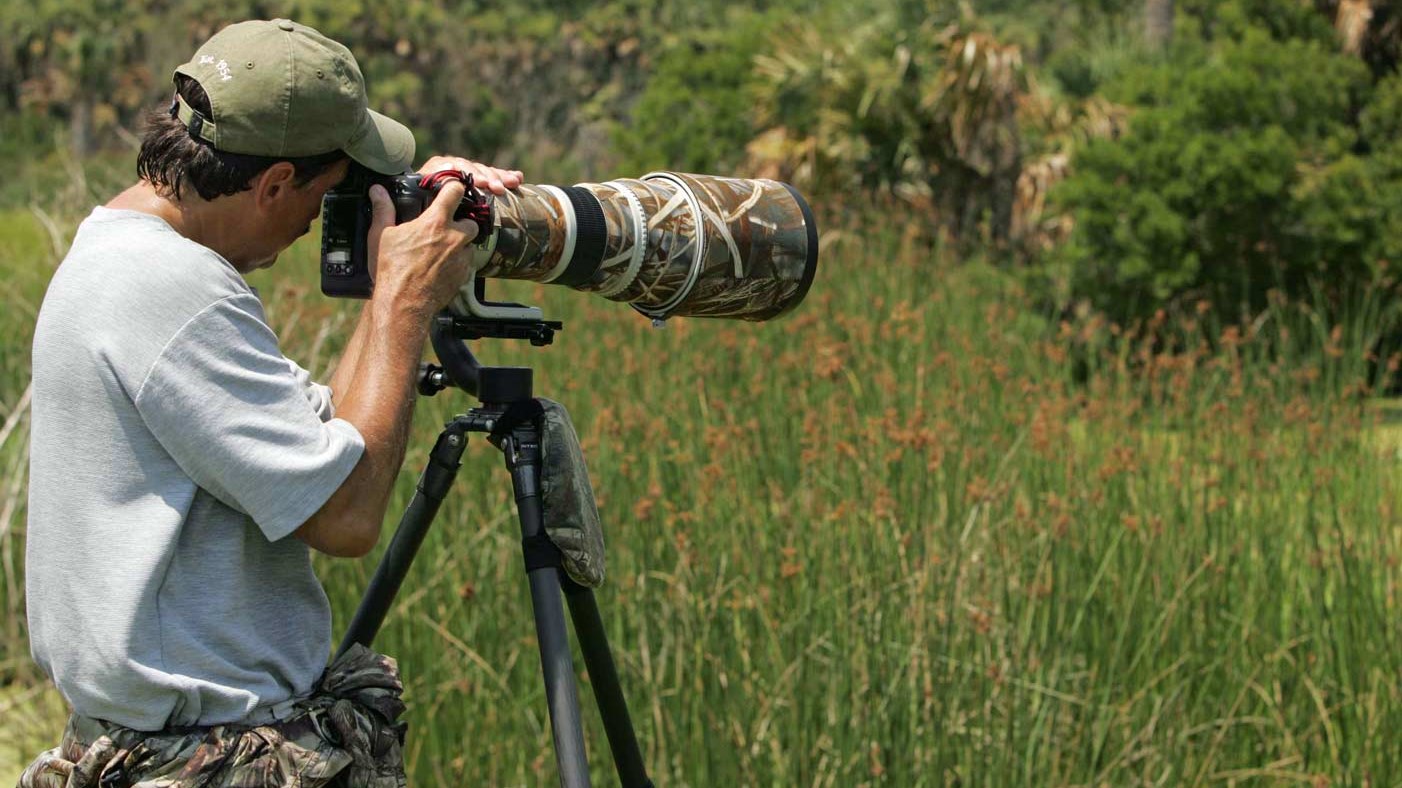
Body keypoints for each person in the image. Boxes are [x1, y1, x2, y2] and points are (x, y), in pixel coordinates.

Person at [18, 18, 522, 787]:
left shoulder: (120, 253)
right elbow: (345, 515)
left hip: (149, 736)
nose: (319, 218)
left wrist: (401, 243)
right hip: (206, 754)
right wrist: (404, 300)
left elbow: (330, 441)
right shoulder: (173, 290)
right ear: (275, 183)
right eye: (324, 196)